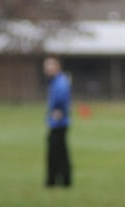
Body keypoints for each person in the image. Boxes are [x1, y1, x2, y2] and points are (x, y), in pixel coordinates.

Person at [43, 56, 72, 187]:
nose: (46, 68)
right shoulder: (56, 81)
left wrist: (58, 111)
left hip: (59, 122)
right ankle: (58, 180)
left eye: (49, 65)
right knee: (58, 151)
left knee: (57, 152)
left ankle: (57, 180)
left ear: (57, 67)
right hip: (55, 121)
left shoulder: (61, 81)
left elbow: (62, 98)